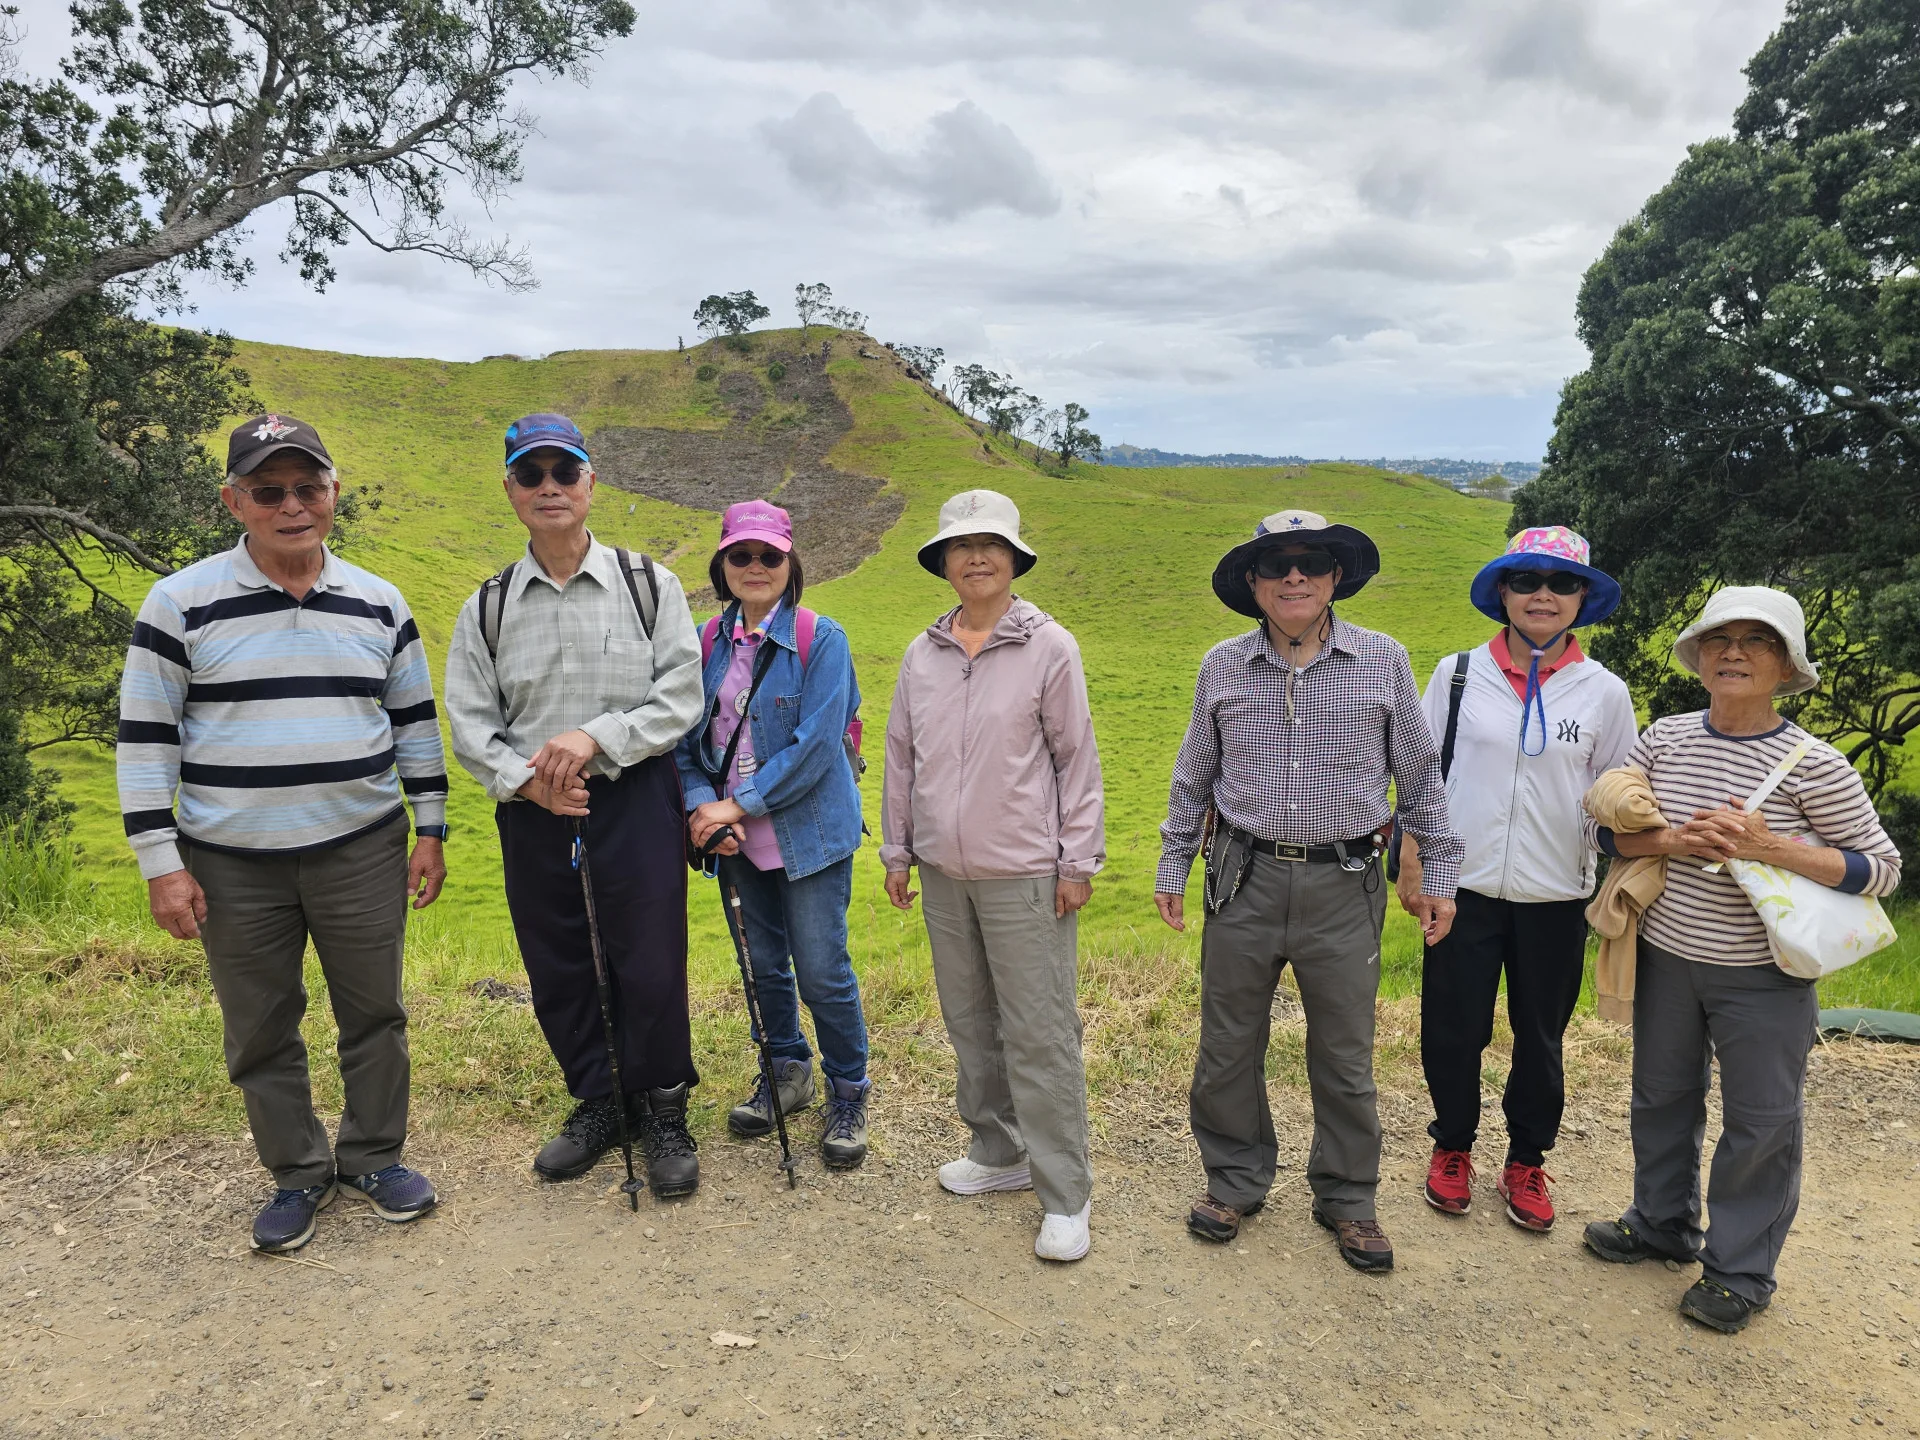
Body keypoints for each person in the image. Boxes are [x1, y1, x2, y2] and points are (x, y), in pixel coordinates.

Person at [116, 413, 448, 1254]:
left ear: (334, 492)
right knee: (260, 1025)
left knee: (375, 1012)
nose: (292, 506)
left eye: (309, 487)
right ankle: (298, 1171)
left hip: (361, 845)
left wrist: (431, 829)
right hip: (230, 861)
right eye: (269, 491)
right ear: (235, 501)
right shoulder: (179, 603)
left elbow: (414, 724)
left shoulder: (380, 601)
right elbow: (146, 741)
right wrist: (161, 864)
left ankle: (374, 1156)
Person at [1580, 586, 1900, 1334]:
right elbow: (1603, 835)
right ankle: (1661, 1223)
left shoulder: (1816, 765)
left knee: (1761, 1122)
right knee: (1660, 1099)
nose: (1734, 652)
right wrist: (1671, 839)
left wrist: (1770, 847)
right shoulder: (1664, 740)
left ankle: (1739, 1271)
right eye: (1720, 639)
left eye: (1758, 641)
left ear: (1786, 667)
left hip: (1765, 975)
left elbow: (1881, 870)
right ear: (1699, 658)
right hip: (1666, 956)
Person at [1157, 509, 1463, 1272]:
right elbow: (1194, 775)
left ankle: (1348, 1196)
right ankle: (1234, 1179)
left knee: (1345, 1054)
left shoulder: (1383, 660)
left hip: (1345, 881)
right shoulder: (1221, 666)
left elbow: (1421, 778)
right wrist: (1172, 865)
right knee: (1227, 1045)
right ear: (1253, 583)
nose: (1294, 576)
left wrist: (1440, 875)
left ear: (1334, 578)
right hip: (1242, 878)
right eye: (1276, 565)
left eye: (1311, 563)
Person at [444, 414, 706, 1198]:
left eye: (565, 472)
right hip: (534, 809)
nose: (549, 487)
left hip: (634, 795)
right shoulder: (486, 607)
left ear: (591, 482)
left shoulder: (648, 584)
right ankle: (599, 1100)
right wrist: (529, 782)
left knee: (649, 957)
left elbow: (680, 696)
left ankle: (661, 1107)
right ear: (511, 490)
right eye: (532, 474)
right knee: (559, 959)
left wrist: (595, 737)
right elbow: (470, 723)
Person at [881, 489, 1105, 1263]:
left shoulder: (1050, 647)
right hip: (945, 872)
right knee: (970, 1021)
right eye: (961, 546)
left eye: (991, 545)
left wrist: (1077, 860)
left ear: (1014, 559)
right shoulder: (922, 654)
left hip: (1026, 873)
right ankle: (998, 1150)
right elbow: (901, 758)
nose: (976, 557)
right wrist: (898, 851)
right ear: (943, 562)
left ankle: (1065, 1193)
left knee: (1039, 1032)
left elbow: (1076, 759)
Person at [1402, 527, 1637, 1232]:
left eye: (1561, 583)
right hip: (1461, 887)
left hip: (1557, 894)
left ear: (1582, 598)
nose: (1543, 594)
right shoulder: (1457, 674)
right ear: (1502, 591)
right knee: (1453, 1028)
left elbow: (1618, 793)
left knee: (1541, 1036)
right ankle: (1452, 1147)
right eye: (1527, 580)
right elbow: (1420, 775)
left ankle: (1527, 1160)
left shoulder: (1605, 693)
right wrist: (1415, 861)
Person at [676, 501, 873, 1168]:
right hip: (734, 842)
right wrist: (704, 810)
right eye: (741, 555)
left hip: (810, 836)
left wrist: (736, 806)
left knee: (822, 971)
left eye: (770, 555)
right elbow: (685, 746)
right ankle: (787, 1072)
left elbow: (817, 747)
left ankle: (848, 1091)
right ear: (722, 565)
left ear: (791, 565)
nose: (755, 566)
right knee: (763, 968)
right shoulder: (703, 643)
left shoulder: (823, 640)